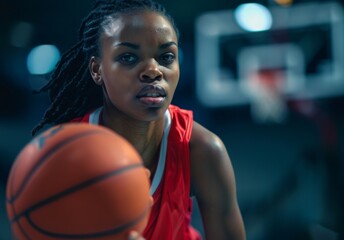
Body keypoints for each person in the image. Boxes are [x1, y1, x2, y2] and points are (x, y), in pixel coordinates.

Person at [32, 0, 246, 239]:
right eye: (129, 58)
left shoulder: (201, 150)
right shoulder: (64, 158)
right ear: (97, 70)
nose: (153, 70)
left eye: (166, 57)